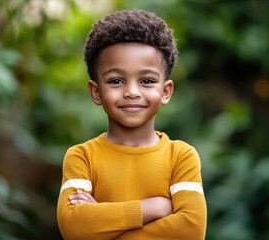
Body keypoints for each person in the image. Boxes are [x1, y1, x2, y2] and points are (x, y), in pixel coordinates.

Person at [57, 9, 207, 240]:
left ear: (165, 91)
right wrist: (153, 208)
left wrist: (102, 224)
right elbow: (74, 227)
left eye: (146, 81)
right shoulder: (82, 157)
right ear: (96, 92)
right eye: (116, 81)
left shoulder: (181, 156)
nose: (131, 92)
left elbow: (191, 230)